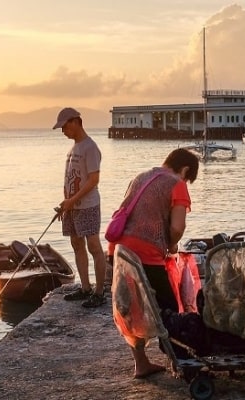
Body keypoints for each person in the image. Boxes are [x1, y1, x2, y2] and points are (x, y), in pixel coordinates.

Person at [108, 148, 199, 379]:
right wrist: (172, 245)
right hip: (146, 253)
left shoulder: (141, 177)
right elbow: (178, 227)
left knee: (132, 308)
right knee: (168, 308)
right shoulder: (176, 183)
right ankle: (180, 360)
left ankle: (141, 363)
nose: (186, 181)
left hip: (119, 250)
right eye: (188, 177)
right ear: (185, 169)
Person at [53, 107, 107, 308]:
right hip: (72, 206)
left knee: (93, 246)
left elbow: (93, 180)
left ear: (75, 122)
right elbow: (70, 178)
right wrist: (66, 203)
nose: (63, 131)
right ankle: (85, 288)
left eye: (65, 126)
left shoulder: (90, 147)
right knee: (77, 244)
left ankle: (99, 292)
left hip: (88, 205)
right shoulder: (73, 149)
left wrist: (73, 199)